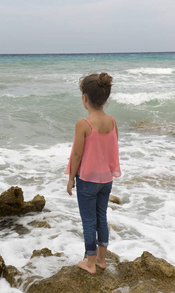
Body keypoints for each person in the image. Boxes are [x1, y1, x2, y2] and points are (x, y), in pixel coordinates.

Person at [65, 72, 121, 274]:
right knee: (101, 217)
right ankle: (101, 259)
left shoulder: (83, 124)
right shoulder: (112, 121)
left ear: (84, 98)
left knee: (89, 221)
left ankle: (90, 263)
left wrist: (71, 179)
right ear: (105, 98)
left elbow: (77, 154)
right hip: (106, 180)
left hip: (87, 181)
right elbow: (112, 147)